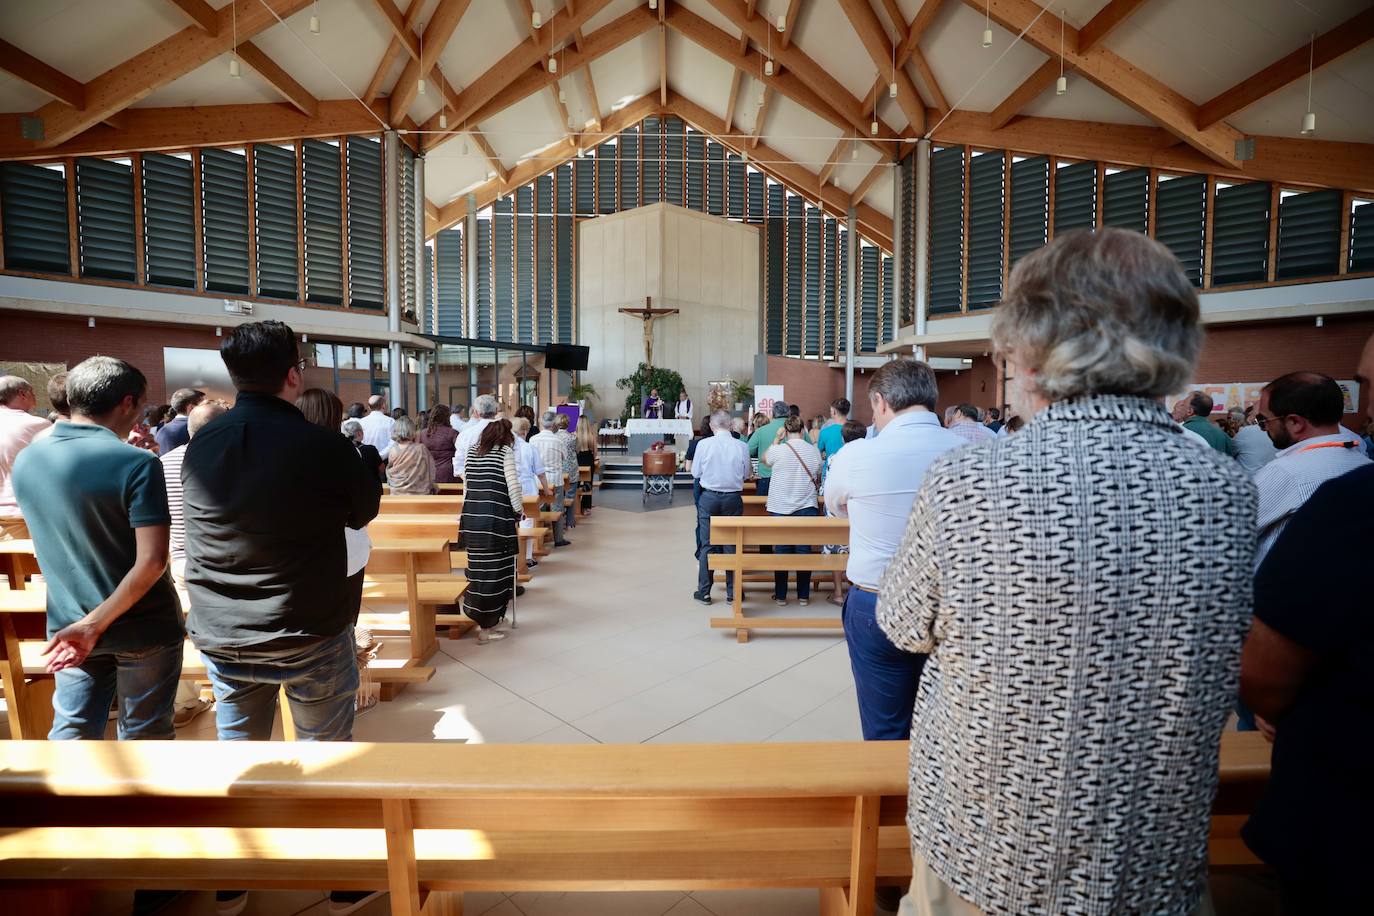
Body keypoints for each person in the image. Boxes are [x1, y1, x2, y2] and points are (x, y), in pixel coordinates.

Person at [876, 229, 1254, 915]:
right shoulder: (1224, 490)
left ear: (1034, 349)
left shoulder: (971, 481)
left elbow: (901, 625)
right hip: (1150, 859)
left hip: (989, 849)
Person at [182, 320, 380, 746]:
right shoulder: (325, 446)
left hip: (223, 626)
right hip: (307, 626)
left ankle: (247, 811)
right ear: (294, 374)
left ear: (235, 377)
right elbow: (362, 512)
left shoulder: (202, 443)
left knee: (240, 751)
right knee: (325, 755)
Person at [1239, 333, 1374, 913]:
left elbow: (1237, 547)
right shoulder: (1358, 457)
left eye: (1265, 419)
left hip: (1294, 670)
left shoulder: (1290, 477)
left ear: (1293, 424)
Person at [12, 356, 184, 740]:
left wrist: (88, 624)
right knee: (146, 736)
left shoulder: (28, 459)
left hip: (69, 619)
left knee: (73, 730)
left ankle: (63, 802)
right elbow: (153, 560)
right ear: (127, 402)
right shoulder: (138, 464)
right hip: (141, 625)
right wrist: (96, 624)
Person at [824, 360, 962, 742]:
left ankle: (887, 799)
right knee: (945, 723)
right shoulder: (968, 452)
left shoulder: (857, 456)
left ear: (881, 402)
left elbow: (836, 507)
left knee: (886, 726)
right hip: (954, 605)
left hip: (877, 602)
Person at [1252, 371, 1370, 565]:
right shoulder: (1365, 465)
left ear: (1295, 422)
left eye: (1264, 421)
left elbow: (1222, 534)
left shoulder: (1285, 473)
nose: (1263, 428)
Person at [458, 419, 524, 644]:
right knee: (497, 573)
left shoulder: (472, 452)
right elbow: (513, 485)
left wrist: (465, 514)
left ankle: (483, 617)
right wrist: (518, 511)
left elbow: (467, 487)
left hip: (473, 519)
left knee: (478, 573)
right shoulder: (504, 452)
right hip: (495, 521)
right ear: (505, 437)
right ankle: (486, 627)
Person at [691, 410, 752, 605]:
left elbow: (695, 472)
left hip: (709, 497)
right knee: (732, 544)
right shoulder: (741, 445)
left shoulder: (704, 444)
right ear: (731, 426)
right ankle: (733, 593)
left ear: (712, 426)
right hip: (733, 498)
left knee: (707, 544)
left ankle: (705, 592)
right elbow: (746, 473)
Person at [761, 415, 823, 607]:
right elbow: (818, 472)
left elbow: (764, 460)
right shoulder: (812, 451)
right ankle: (803, 596)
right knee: (804, 551)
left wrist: (776, 439)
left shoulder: (778, 450)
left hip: (780, 507)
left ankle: (781, 596)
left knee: (781, 551)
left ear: (786, 432)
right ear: (803, 430)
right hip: (806, 507)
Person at [822, 419, 868, 607]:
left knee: (836, 552)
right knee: (860, 549)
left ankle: (838, 593)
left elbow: (829, 484)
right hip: (863, 509)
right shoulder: (871, 455)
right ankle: (858, 588)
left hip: (838, 509)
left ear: (842, 438)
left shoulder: (834, 457)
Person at [0, 375, 50, 540]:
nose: (35, 396)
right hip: (19, 516)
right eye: (32, 392)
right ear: (22, 394)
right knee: (24, 566)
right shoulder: (37, 425)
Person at [530, 411, 573, 547]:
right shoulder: (558, 440)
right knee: (557, 508)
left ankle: (540, 540)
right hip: (555, 478)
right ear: (554, 423)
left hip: (538, 480)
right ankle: (558, 539)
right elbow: (563, 457)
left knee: (540, 507)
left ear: (542, 423)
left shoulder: (533, 439)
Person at [746, 402, 789, 496]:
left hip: (766, 476)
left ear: (772, 414)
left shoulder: (761, 431)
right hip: (791, 477)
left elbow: (747, 451)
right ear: (788, 413)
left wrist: (751, 472)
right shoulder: (797, 430)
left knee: (761, 509)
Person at [385, 416, 437, 495]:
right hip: (420, 493)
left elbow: (392, 471)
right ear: (412, 430)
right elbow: (431, 469)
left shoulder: (393, 449)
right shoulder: (421, 448)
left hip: (397, 493)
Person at [1180, 391, 1238, 456]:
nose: (1180, 408)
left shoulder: (1180, 432)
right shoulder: (1223, 435)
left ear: (1189, 411)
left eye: (1183, 405)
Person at [455, 394, 499, 479]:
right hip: (500, 486)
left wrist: (471, 481)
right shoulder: (509, 434)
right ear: (496, 411)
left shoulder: (464, 435)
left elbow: (459, 466)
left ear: (475, 413)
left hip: (472, 485)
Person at [153, 387, 205, 454]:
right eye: (202, 406)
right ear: (191, 408)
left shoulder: (162, 431)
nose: (205, 409)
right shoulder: (195, 429)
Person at [1233, 403, 1278, 475]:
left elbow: (1230, 452)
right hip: (1274, 478)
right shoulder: (1280, 430)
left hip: (1250, 480)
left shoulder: (1247, 431)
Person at [419, 404, 459, 484]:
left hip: (428, 473)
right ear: (447, 417)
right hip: (448, 474)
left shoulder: (423, 434)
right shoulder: (453, 433)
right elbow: (460, 453)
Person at [555, 413, 579, 531]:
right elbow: (577, 450)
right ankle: (570, 522)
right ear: (568, 424)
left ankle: (560, 522)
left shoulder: (554, 437)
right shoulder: (573, 437)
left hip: (559, 471)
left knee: (559, 497)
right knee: (570, 496)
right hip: (571, 471)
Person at [343, 418, 385, 483]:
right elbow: (382, 469)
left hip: (351, 488)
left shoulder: (343, 450)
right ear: (359, 433)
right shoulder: (371, 449)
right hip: (371, 487)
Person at [816, 398, 849, 477]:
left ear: (834, 412)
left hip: (830, 472)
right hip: (849, 471)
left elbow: (818, 453)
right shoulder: (855, 429)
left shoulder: (825, 432)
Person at [359, 394, 395, 459]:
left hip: (366, 459)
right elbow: (393, 442)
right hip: (385, 459)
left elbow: (359, 441)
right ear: (383, 405)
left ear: (369, 407)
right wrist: (381, 456)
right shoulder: (390, 421)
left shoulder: (361, 422)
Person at [576, 415, 598, 513]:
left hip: (577, 461)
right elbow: (595, 452)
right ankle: (585, 507)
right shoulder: (591, 436)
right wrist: (592, 459)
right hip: (588, 460)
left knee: (575, 483)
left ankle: (575, 506)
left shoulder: (574, 435)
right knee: (588, 484)